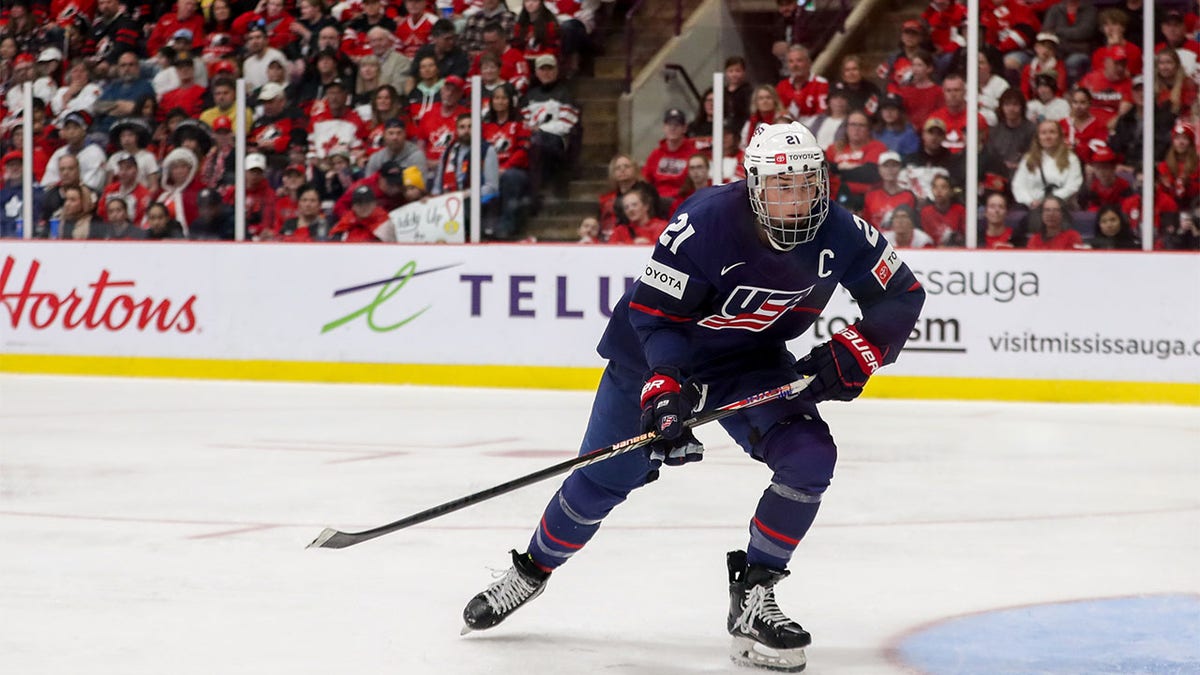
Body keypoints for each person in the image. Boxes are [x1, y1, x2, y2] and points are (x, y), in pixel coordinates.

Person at [460, 122, 926, 675]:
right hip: (653, 357)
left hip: (748, 363)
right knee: (602, 481)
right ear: (753, 186)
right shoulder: (704, 221)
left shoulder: (842, 230)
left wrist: (862, 348)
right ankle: (533, 570)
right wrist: (663, 388)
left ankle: (755, 593)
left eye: (807, 183)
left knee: (809, 458)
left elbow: (902, 293)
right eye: (782, 186)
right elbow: (657, 316)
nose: (798, 199)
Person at [1010, 120, 1082, 213]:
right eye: (1043, 133)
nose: (1048, 137)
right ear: (1038, 137)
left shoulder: (1071, 158)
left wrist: (1050, 202)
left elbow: (1073, 186)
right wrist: (1030, 201)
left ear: (1060, 136)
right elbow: (1018, 185)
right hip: (1032, 208)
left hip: (1061, 208)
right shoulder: (1028, 158)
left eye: (1052, 132)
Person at [643, 108, 697, 206]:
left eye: (677, 125)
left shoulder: (693, 154)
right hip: (656, 201)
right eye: (669, 124)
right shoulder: (656, 154)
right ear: (664, 127)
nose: (672, 128)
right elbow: (646, 180)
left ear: (684, 128)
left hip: (682, 201)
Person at [862, 151, 917, 229]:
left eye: (894, 165)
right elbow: (866, 222)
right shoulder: (871, 195)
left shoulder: (908, 196)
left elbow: (911, 224)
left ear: (900, 168)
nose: (890, 169)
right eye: (886, 166)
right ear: (879, 169)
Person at [919, 173, 964, 246]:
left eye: (943, 187)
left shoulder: (960, 210)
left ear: (951, 191)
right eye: (935, 187)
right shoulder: (925, 212)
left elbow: (964, 237)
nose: (938, 191)